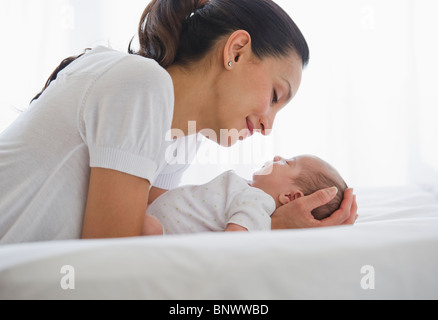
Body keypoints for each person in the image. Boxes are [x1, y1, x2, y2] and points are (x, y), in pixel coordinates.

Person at [0, 0, 357, 244]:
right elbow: (110, 260)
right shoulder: (141, 83)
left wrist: (266, 219)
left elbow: (166, 227)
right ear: (235, 51)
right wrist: (268, 227)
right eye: (276, 96)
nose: (268, 126)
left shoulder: (185, 135)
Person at [143, 155, 348, 235]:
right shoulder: (251, 194)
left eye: (286, 162)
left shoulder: (258, 202)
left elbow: (236, 240)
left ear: (291, 197)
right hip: (155, 218)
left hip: (158, 229)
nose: (277, 157)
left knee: (144, 226)